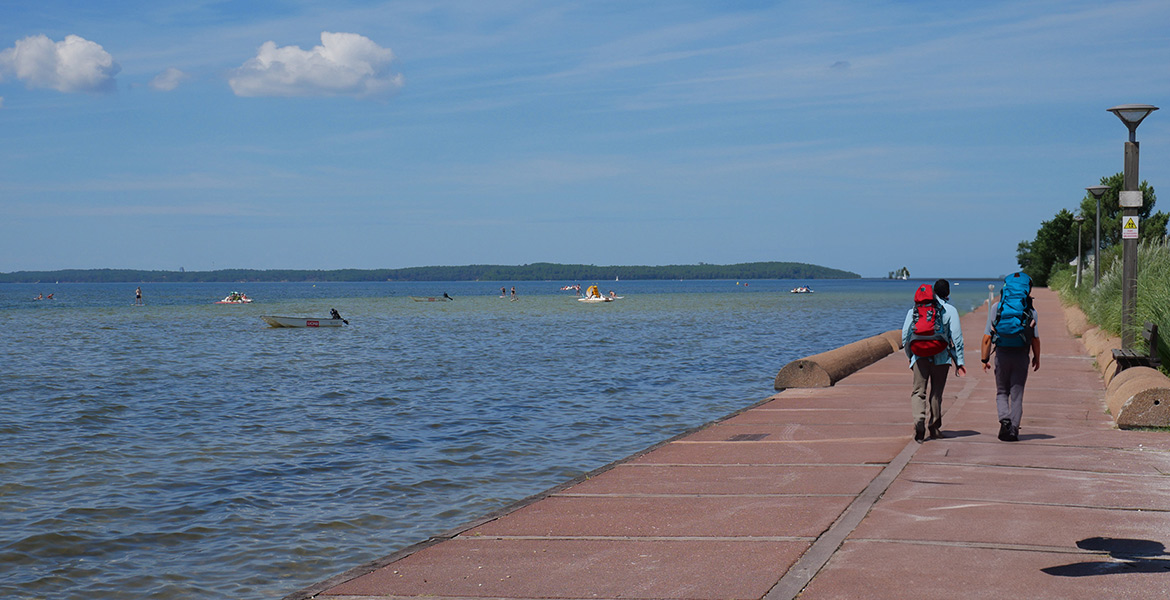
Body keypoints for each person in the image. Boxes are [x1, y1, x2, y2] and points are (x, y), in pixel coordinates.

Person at [902, 280, 966, 443]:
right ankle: (934, 427)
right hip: (941, 357)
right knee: (936, 393)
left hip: (919, 356)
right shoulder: (950, 310)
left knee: (918, 392)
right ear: (947, 294)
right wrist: (959, 361)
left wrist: (911, 357)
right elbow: (957, 337)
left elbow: (905, 336)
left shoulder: (915, 310)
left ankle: (919, 422)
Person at [981, 272, 1041, 442]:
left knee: (1001, 391)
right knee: (1017, 394)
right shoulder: (1030, 311)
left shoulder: (996, 308)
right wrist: (1037, 357)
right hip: (1021, 355)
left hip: (1001, 354)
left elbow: (987, 337)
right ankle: (1013, 429)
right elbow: (1035, 339)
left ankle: (1004, 419)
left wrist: (984, 360)